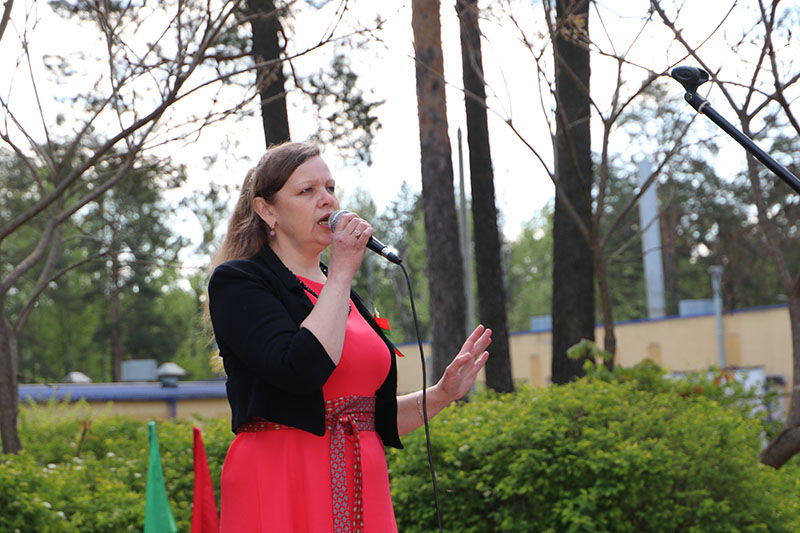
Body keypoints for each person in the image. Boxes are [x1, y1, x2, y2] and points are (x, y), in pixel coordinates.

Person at [207, 141, 491, 532]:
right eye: (307, 191)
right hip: (283, 480)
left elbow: (373, 417)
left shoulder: (341, 291)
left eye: (330, 188)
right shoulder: (240, 282)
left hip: (362, 482)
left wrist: (442, 393)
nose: (327, 200)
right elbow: (300, 370)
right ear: (266, 210)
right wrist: (341, 272)